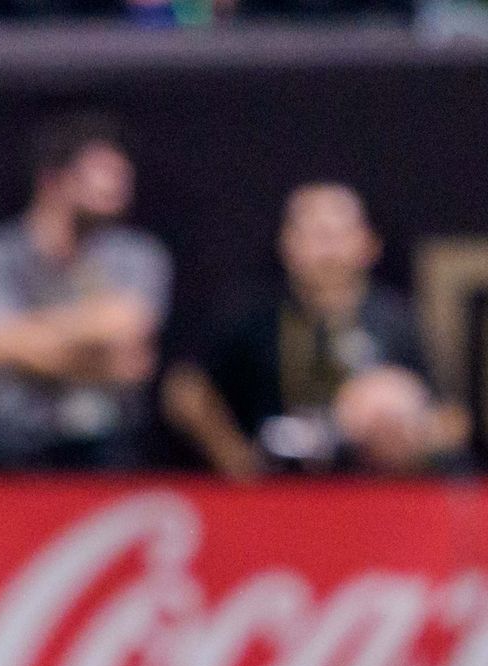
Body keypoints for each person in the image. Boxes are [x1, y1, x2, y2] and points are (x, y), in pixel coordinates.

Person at [163, 182, 467, 477]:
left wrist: (410, 437)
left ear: (369, 244)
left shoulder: (396, 319)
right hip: (277, 492)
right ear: (286, 242)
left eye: (338, 234)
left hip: (370, 492)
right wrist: (233, 456)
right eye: (314, 234)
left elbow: (452, 420)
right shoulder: (253, 315)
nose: (327, 250)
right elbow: (185, 389)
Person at [0, 112, 171, 470]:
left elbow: (131, 353)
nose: (116, 192)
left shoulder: (137, 254)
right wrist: (94, 346)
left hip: (109, 445)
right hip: (10, 444)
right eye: (103, 177)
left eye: (122, 179)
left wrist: (23, 335)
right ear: (52, 180)